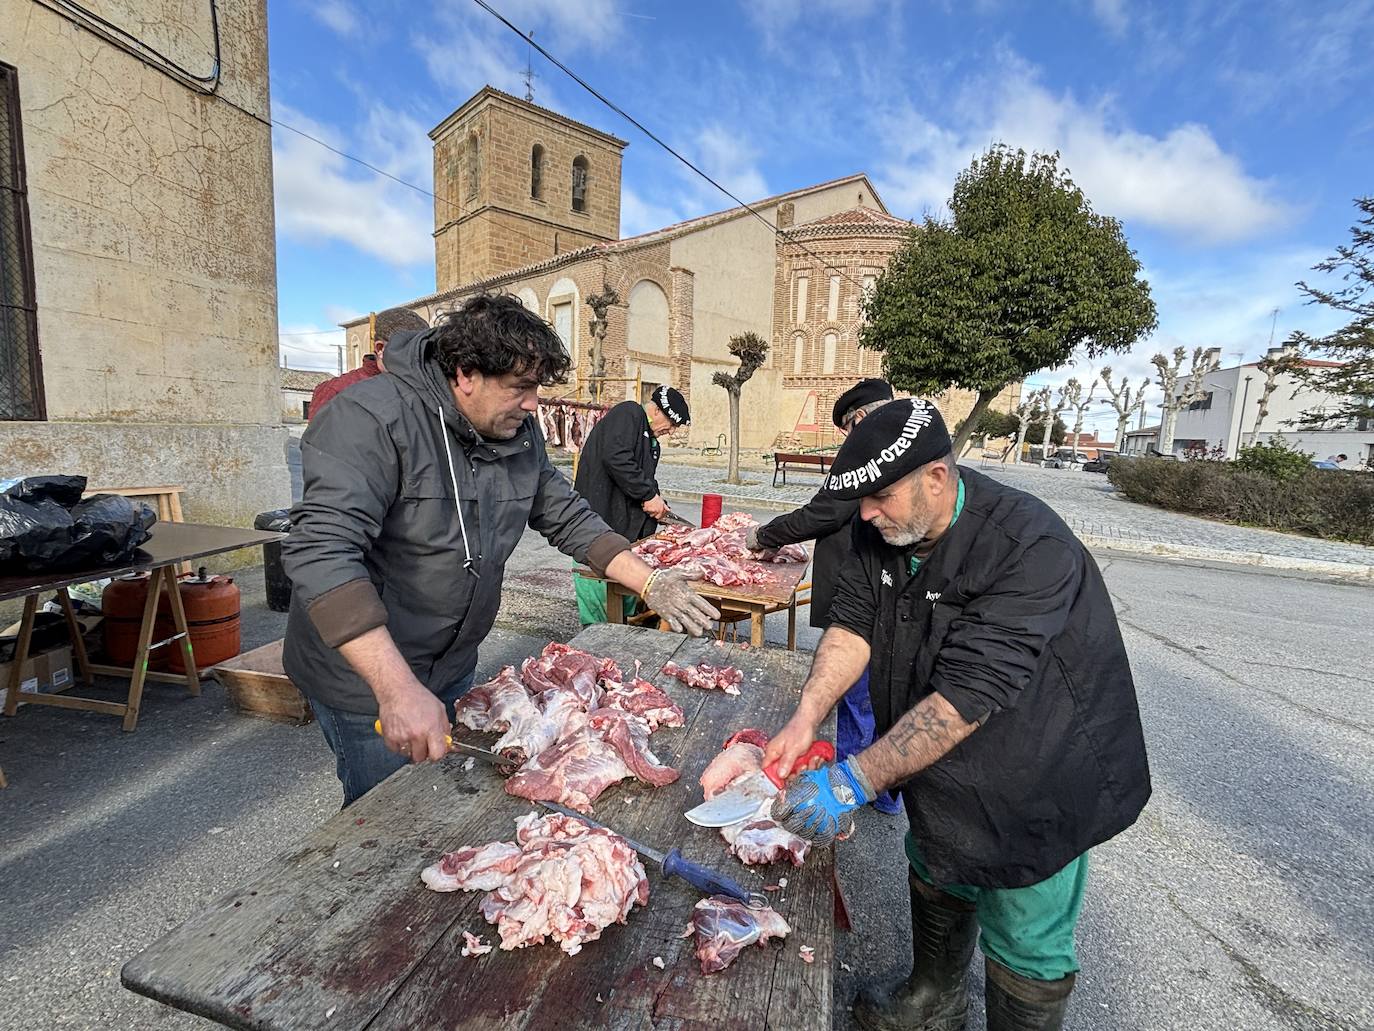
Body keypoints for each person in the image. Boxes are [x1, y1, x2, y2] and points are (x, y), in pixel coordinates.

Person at [762, 398, 1151, 1031]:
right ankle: (934, 1001)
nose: (864, 513)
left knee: (1025, 922)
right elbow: (852, 624)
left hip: (1040, 762)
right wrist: (808, 716)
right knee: (937, 856)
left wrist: (854, 779)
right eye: (859, 498)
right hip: (936, 744)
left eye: (879, 496)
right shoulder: (880, 527)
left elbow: (969, 693)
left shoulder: (1030, 546)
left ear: (936, 479)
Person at [282, 294, 719, 806]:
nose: (534, 404)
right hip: (366, 674)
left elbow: (567, 515)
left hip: (452, 661)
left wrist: (650, 581)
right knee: (384, 810)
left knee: (444, 802)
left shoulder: (516, 428)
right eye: (522, 388)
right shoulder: (368, 419)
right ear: (466, 373)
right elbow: (323, 554)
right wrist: (396, 688)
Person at [744, 378, 902, 814]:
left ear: (861, 418)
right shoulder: (896, 450)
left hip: (865, 595)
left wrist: (764, 534)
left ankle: (857, 783)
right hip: (884, 594)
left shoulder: (870, 454)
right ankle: (884, 789)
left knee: (857, 693)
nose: (850, 436)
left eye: (850, 425)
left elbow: (824, 511)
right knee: (881, 691)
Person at [571, 384, 690, 624]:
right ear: (656, 411)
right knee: (597, 591)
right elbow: (617, 457)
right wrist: (647, 496)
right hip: (597, 522)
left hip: (624, 533)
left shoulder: (652, 443)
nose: (672, 431)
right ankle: (593, 640)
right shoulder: (629, 413)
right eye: (672, 423)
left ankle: (620, 633)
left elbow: (645, 478)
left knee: (622, 597)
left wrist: (657, 501)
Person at [308, 307, 428, 419]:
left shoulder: (423, 388)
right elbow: (317, 439)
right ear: (380, 349)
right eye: (408, 351)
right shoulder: (335, 391)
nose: (417, 360)